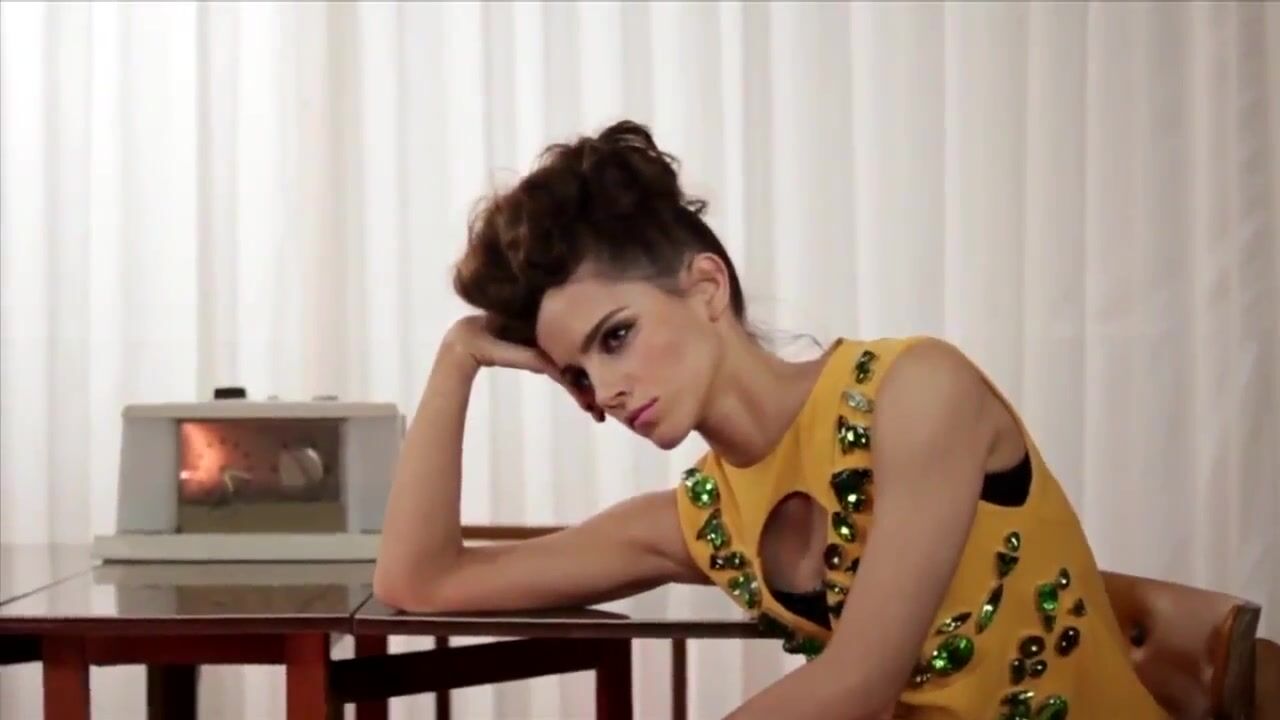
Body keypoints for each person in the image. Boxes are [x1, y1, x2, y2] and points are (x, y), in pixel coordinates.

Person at [372, 120, 1169, 720]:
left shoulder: (918, 391)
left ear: (707, 288)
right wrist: (458, 358)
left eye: (616, 337)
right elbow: (419, 581)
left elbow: (859, 684)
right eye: (578, 373)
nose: (606, 390)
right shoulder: (707, 520)